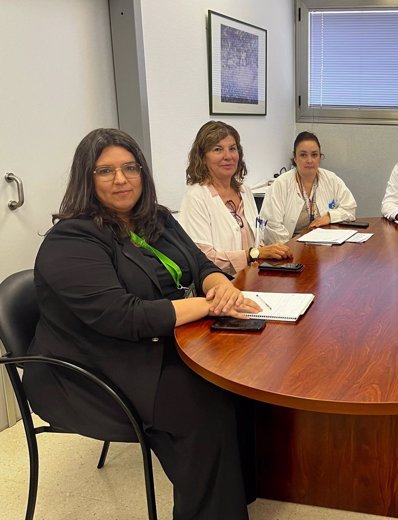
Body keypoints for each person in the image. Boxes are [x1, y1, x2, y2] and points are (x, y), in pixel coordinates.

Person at [23, 128, 261, 519]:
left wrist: (218, 285)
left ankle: (235, 496)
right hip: (90, 368)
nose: (121, 179)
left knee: (241, 373)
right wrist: (207, 306)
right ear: (87, 178)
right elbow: (124, 315)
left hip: (154, 342)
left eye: (130, 167)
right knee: (205, 402)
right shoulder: (71, 241)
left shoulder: (156, 218)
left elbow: (199, 264)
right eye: (105, 171)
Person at [179, 121, 292, 273]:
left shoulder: (244, 191)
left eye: (232, 149)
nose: (228, 156)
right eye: (218, 149)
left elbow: (258, 240)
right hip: (221, 286)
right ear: (203, 158)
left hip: (254, 277)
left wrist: (270, 252)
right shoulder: (196, 197)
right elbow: (203, 259)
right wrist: (253, 254)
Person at [260, 131, 357, 244]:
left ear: (320, 157)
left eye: (314, 155)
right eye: (303, 155)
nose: (309, 160)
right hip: (289, 249)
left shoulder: (331, 180)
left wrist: (330, 217)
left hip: (323, 246)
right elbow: (272, 226)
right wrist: (291, 247)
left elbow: (350, 209)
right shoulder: (281, 184)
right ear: (295, 158)